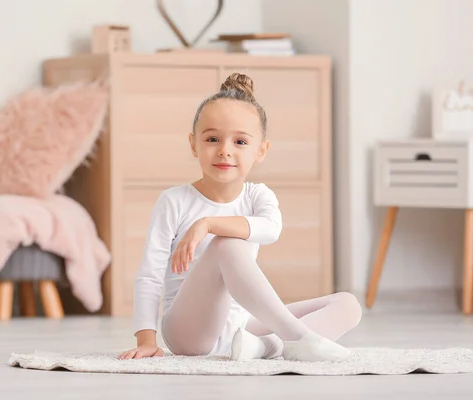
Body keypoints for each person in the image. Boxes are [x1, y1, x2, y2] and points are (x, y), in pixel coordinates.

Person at [117, 73, 362, 362]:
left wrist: (206, 224)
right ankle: (297, 339)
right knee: (228, 244)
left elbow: (270, 229)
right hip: (189, 332)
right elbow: (150, 275)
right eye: (212, 139)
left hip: (241, 326)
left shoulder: (258, 196)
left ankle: (262, 347)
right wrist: (146, 339)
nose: (225, 150)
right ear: (193, 144)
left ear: (262, 150)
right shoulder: (174, 201)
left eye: (240, 142)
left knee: (348, 304)